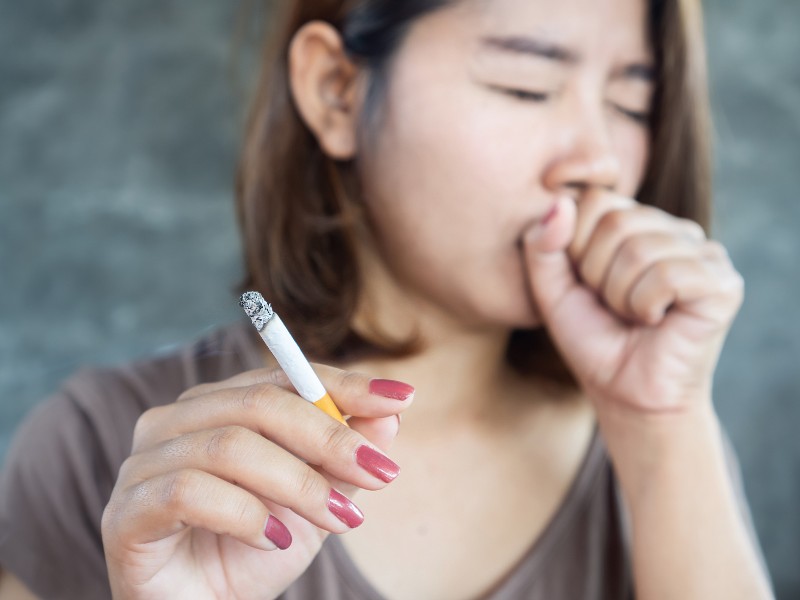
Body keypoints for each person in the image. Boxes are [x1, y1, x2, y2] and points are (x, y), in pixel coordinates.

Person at [0, 0, 775, 598]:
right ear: (335, 91)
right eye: (526, 85)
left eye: (632, 103)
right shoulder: (95, 454)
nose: (599, 161)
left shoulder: (661, 459)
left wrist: (665, 427)